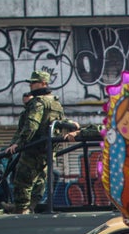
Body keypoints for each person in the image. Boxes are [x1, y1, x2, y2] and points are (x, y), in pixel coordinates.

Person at [5, 70, 80, 214]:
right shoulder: (56, 103)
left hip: (34, 149)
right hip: (47, 150)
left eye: (34, 82)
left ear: (43, 83)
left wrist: (18, 144)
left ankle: (21, 210)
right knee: (39, 181)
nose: (31, 85)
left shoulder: (38, 103)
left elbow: (31, 125)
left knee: (22, 180)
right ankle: (29, 207)